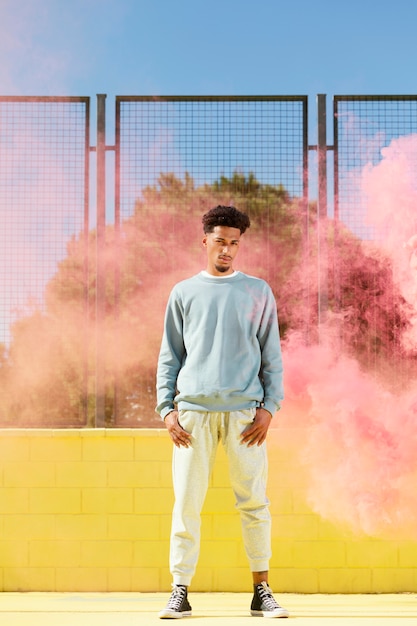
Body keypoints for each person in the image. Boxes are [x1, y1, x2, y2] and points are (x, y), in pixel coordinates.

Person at [156, 205, 289, 619]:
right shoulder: (182, 292)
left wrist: (269, 408)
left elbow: (272, 356)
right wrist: (166, 410)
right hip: (192, 416)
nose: (227, 250)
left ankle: (261, 590)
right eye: (220, 241)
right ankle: (180, 590)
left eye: (234, 243)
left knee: (254, 503)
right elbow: (169, 355)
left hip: (245, 417)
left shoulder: (257, 291)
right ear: (205, 241)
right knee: (186, 504)